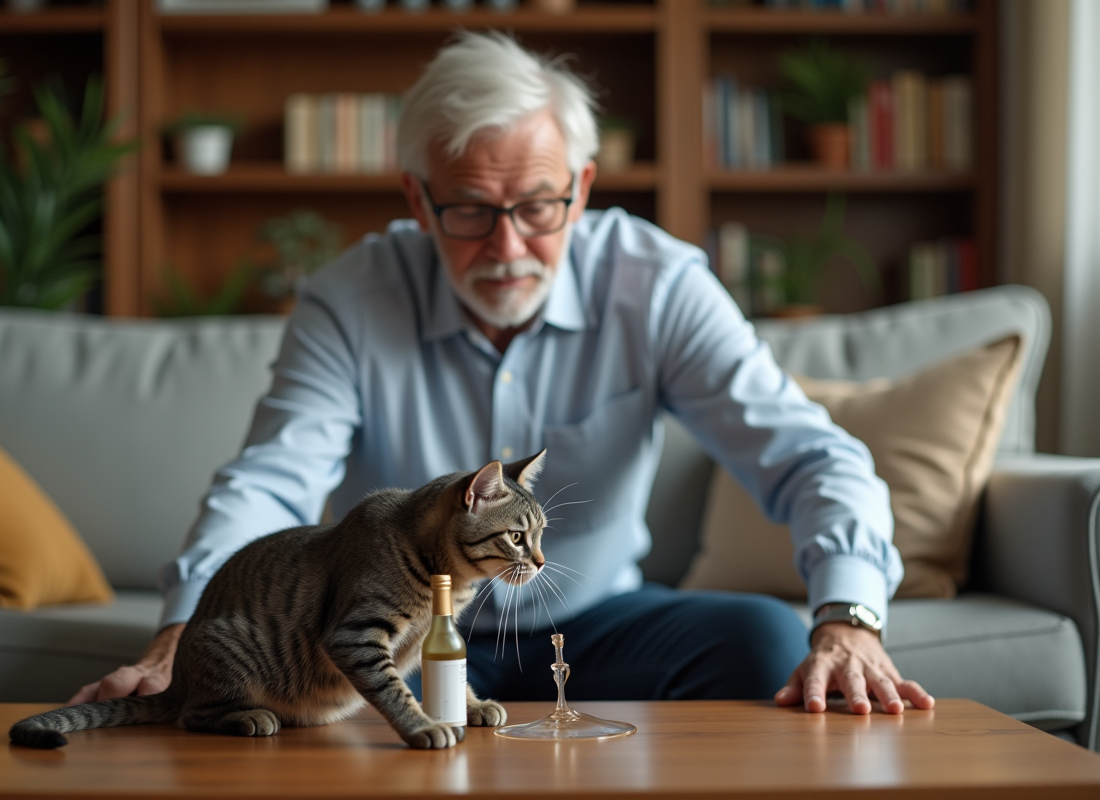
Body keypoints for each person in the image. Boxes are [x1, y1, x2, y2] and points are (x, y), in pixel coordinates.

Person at [71, 32, 933, 716]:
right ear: (418, 201)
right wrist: (184, 633)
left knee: (758, 635)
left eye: (537, 207)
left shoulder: (659, 284)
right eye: (472, 210)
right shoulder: (349, 299)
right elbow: (272, 481)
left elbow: (808, 457)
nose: (509, 247)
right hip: (403, 628)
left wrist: (850, 616)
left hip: (591, 622)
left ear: (583, 188)